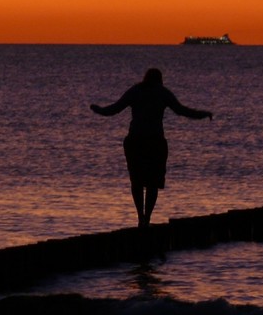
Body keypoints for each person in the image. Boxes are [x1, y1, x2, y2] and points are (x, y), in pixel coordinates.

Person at [90, 68, 213, 227]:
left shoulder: (135, 90)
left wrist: (97, 109)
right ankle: (147, 217)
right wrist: (202, 114)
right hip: (154, 141)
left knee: (137, 181)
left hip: (135, 141)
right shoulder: (162, 92)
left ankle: (140, 217)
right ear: (160, 79)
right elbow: (181, 111)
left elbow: (113, 109)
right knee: (152, 182)